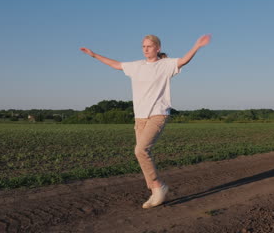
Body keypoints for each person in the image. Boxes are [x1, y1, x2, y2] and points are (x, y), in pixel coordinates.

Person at [80, 34, 211, 208]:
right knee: (143, 154)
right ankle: (155, 191)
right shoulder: (137, 66)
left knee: (140, 150)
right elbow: (116, 65)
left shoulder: (165, 65)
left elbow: (183, 60)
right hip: (140, 117)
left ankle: (158, 187)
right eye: (143, 46)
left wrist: (196, 46)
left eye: (149, 46)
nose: (145, 49)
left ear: (157, 48)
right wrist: (94, 55)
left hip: (158, 114)